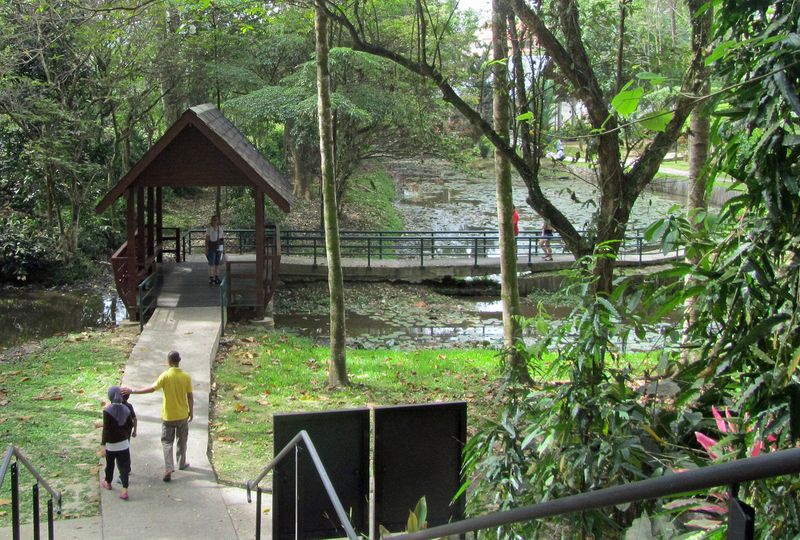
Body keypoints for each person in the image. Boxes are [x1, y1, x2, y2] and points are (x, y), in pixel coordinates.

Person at [123, 350, 193, 482]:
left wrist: (133, 391)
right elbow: (190, 396)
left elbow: (152, 389)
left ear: (169, 361)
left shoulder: (165, 376)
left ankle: (168, 468)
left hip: (168, 416)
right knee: (182, 440)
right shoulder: (186, 377)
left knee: (167, 442)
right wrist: (191, 411)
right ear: (179, 360)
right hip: (182, 415)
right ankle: (182, 463)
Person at [100, 386, 135, 500]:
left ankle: (108, 482)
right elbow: (130, 424)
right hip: (123, 444)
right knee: (124, 467)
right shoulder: (126, 409)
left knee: (110, 466)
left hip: (111, 445)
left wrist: (103, 445)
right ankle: (124, 490)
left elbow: (106, 429)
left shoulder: (107, 410)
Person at [205, 214, 225, 285]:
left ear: (218, 221)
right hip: (211, 248)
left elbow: (222, 239)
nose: (215, 221)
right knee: (211, 264)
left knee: (217, 264)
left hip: (219, 248)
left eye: (216, 220)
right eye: (214, 220)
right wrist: (206, 249)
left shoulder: (221, 228)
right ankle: (211, 278)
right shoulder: (209, 229)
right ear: (212, 221)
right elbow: (207, 239)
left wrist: (224, 249)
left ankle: (216, 277)